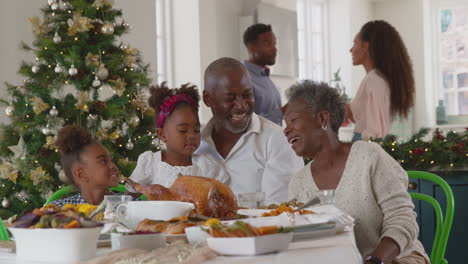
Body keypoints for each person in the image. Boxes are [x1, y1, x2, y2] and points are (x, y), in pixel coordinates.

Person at [284, 81, 429, 264]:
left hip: (396, 259)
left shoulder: (368, 156)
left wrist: (375, 260)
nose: (286, 129)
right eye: (285, 123)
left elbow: (403, 220)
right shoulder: (298, 182)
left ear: (322, 119)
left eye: (293, 120)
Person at [196, 57, 304, 204]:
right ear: (208, 99)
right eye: (230, 98)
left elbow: (279, 212)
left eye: (247, 95)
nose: (241, 105)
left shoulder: (278, 141)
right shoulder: (194, 145)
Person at [126, 83, 223, 191]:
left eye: (196, 130)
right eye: (183, 130)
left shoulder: (206, 166)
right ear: (162, 135)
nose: (191, 135)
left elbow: (221, 194)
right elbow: (132, 193)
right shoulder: (151, 163)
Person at [346, 20, 415, 141]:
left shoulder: (374, 81)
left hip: (364, 148)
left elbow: (374, 132)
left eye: (355, 43)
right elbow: (367, 120)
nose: (351, 50)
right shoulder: (375, 79)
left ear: (366, 46)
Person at [52, 125, 120, 207]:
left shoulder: (130, 206)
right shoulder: (59, 210)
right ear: (81, 174)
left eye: (111, 160)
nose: (113, 165)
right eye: (103, 161)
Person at [243, 23, 283, 125]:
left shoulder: (265, 76)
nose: (274, 49)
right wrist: (283, 112)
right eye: (268, 44)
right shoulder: (242, 77)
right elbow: (245, 122)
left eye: (274, 44)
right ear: (252, 48)